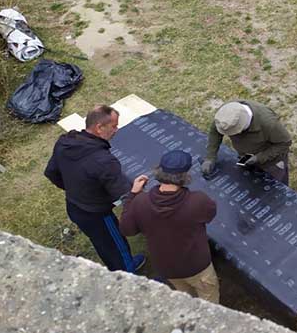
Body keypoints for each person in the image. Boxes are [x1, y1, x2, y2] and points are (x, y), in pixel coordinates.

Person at [44, 105, 147, 273]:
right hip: (97, 214)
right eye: (114, 126)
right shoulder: (104, 161)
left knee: (102, 243)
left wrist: (73, 187)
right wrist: (136, 192)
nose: (117, 130)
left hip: (73, 206)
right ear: (99, 128)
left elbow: (51, 173)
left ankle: (116, 266)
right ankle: (129, 274)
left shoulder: (65, 142)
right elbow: (125, 196)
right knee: (116, 245)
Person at [120, 150, 220, 303]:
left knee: (186, 299)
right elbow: (210, 214)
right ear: (185, 176)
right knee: (210, 305)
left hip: (167, 269)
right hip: (198, 267)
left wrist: (132, 195)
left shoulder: (140, 202)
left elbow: (127, 229)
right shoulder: (197, 201)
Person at [200, 100, 292, 184]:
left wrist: (259, 158)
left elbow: (285, 143)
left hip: (272, 162)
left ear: (242, 127)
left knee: (275, 188)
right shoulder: (226, 114)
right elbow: (215, 131)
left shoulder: (269, 124)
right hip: (245, 156)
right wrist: (210, 157)